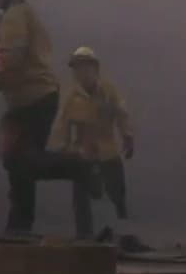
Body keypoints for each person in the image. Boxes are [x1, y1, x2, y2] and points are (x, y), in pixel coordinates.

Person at [0, 0, 99, 239]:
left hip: (32, 100)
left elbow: (13, 59)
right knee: (20, 165)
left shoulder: (15, 15)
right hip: (36, 97)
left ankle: (75, 167)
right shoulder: (25, 15)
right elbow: (19, 60)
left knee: (20, 163)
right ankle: (19, 227)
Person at [49, 47, 135, 222]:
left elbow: (122, 112)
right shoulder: (72, 97)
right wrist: (61, 148)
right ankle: (84, 234)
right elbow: (61, 123)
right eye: (78, 68)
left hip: (107, 149)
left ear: (95, 68)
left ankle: (124, 222)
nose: (82, 72)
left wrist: (127, 135)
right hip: (83, 152)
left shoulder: (108, 91)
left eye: (86, 67)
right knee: (81, 196)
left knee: (117, 190)